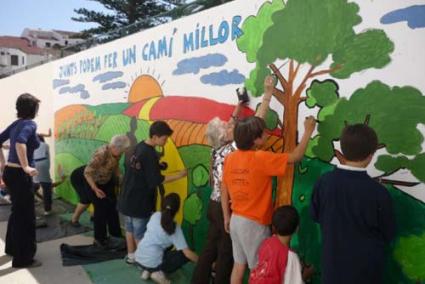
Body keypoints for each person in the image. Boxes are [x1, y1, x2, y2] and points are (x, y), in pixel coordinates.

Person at [192, 75, 275, 284]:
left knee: (210, 248)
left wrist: (238, 106)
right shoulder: (235, 147)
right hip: (225, 208)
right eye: (228, 128)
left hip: (213, 203)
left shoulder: (216, 147)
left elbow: (229, 123)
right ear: (225, 136)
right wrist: (267, 95)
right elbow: (258, 121)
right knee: (227, 254)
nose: (232, 126)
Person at [221, 115, 316, 284]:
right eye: (264, 134)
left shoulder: (230, 158)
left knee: (238, 266)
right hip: (253, 224)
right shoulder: (261, 157)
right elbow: (295, 157)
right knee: (260, 271)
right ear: (255, 140)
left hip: (236, 219)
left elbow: (224, 188)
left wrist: (227, 217)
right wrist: (308, 131)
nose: (267, 135)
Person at [310, 124, 396, 284]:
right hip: (366, 272)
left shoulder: (324, 182)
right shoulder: (379, 193)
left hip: (332, 268)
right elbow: (388, 234)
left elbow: (315, 215)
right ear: (371, 155)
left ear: (342, 150)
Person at [118, 121, 187, 264]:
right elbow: (156, 180)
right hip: (139, 201)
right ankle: (145, 263)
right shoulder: (149, 154)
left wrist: (157, 165)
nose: (166, 141)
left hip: (126, 198)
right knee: (140, 234)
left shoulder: (139, 147)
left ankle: (132, 256)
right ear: (155, 137)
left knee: (129, 229)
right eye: (164, 138)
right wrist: (179, 175)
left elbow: (142, 168)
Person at [0, 93, 42, 268]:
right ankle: (23, 259)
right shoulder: (30, 124)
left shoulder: (17, 124)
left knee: (17, 212)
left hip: (10, 172)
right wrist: (26, 167)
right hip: (19, 175)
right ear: (33, 109)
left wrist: (3, 164)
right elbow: (19, 142)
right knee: (26, 217)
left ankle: (12, 248)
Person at [135, 193, 198, 284]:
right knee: (183, 255)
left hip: (139, 257)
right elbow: (188, 254)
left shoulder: (155, 215)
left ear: (163, 205)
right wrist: (205, 262)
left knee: (162, 245)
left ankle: (147, 270)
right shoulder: (175, 228)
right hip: (153, 261)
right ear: (177, 209)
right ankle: (157, 272)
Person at [84, 135, 130, 247]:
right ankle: (99, 239)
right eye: (122, 150)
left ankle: (116, 235)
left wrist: (120, 177)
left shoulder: (117, 152)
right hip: (93, 182)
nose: (123, 152)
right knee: (100, 210)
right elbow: (87, 172)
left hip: (106, 180)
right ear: (114, 147)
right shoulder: (101, 154)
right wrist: (95, 189)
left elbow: (115, 165)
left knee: (113, 207)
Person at [249, 206, 314, 283]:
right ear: (297, 229)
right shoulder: (291, 257)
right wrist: (305, 275)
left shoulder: (267, 243)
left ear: (274, 226)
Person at [33, 134, 65, 215]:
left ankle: (29, 208)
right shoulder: (45, 145)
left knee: (33, 187)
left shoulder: (32, 146)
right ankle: (47, 210)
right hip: (43, 166)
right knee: (47, 188)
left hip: (33, 165)